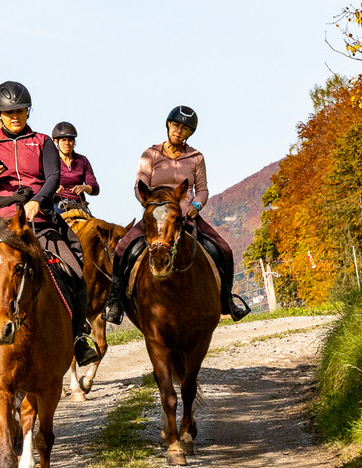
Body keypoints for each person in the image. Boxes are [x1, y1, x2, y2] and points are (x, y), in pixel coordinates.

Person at [0, 83, 101, 367]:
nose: (15, 117)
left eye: (20, 111)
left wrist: (39, 200)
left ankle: (78, 336)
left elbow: (54, 178)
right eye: (9, 113)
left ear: (27, 111)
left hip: (36, 220)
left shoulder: (43, 142)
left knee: (75, 271)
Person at [103, 105, 252, 325]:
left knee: (224, 250)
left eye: (184, 128)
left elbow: (202, 189)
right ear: (168, 125)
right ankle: (115, 302)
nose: (178, 130)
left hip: (186, 216)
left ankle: (226, 300)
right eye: (175, 125)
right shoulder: (150, 154)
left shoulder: (196, 157)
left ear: (190, 133)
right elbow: (139, 185)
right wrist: (148, 204)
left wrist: (197, 205)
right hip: (156, 216)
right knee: (122, 248)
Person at [50, 121, 100, 213]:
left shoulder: (82, 160)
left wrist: (85, 187)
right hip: (57, 205)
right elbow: (41, 184)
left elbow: (95, 188)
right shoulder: (50, 161)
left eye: (70, 140)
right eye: (63, 140)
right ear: (56, 141)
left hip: (79, 205)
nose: (67, 143)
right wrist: (53, 188)